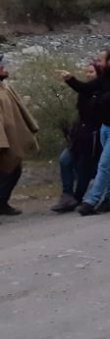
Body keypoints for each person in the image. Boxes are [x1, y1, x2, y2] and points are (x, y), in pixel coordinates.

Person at [64, 49, 110, 216]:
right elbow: (87, 88)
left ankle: (91, 201)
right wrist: (71, 80)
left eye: (100, 60)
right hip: (107, 127)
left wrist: (95, 101)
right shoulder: (106, 77)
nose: (97, 63)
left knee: (104, 165)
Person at [50, 61, 101, 213]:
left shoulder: (103, 91)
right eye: (87, 72)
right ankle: (67, 194)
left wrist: (71, 79)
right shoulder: (85, 90)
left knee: (84, 167)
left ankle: (77, 198)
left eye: (91, 72)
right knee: (65, 160)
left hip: (92, 136)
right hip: (79, 135)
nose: (88, 75)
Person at [0, 55, 39, 218]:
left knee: (14, 170)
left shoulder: (5, 87)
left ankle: (2, 204)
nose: (5, 68)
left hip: (11, 138)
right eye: (2, 66)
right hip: (2, 141)